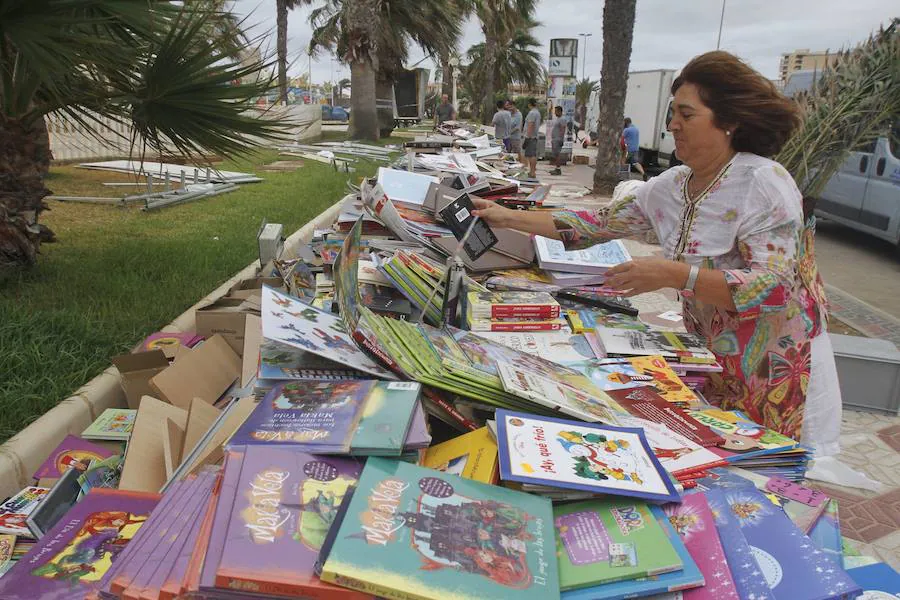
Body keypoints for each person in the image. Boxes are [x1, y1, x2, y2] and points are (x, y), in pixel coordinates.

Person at [472, 50, 841, 457]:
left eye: (687, 114)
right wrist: (508, 217)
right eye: (672, 113)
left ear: (730, 121)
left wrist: (674, 274)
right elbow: (594, 224)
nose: (672, 125)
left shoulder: (763, 183)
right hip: (712, 357)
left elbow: (774, 290)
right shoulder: (673, 185)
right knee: (717, 457)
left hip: (773, 367)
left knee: (771, 470)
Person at [522, 98, 541, 179]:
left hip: (531, 137)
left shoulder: (532, 113)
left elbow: (530, 125)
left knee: (531, 155)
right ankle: (532, 171)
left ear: (529, 104)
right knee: (531, 154)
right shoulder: (537, 112)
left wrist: (527, 137)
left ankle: (532, 172)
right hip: (534, 136)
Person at [549, 105, 567, 176]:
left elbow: (563, 129)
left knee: (557, 154)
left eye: (556, 111)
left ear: (560, 111)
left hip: (558, 139)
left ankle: (558, 169)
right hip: (555, 139)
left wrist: (560, 139)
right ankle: (556, 168)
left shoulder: (562, 119)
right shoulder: (558, 119)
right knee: (555, 154)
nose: (555, 113)